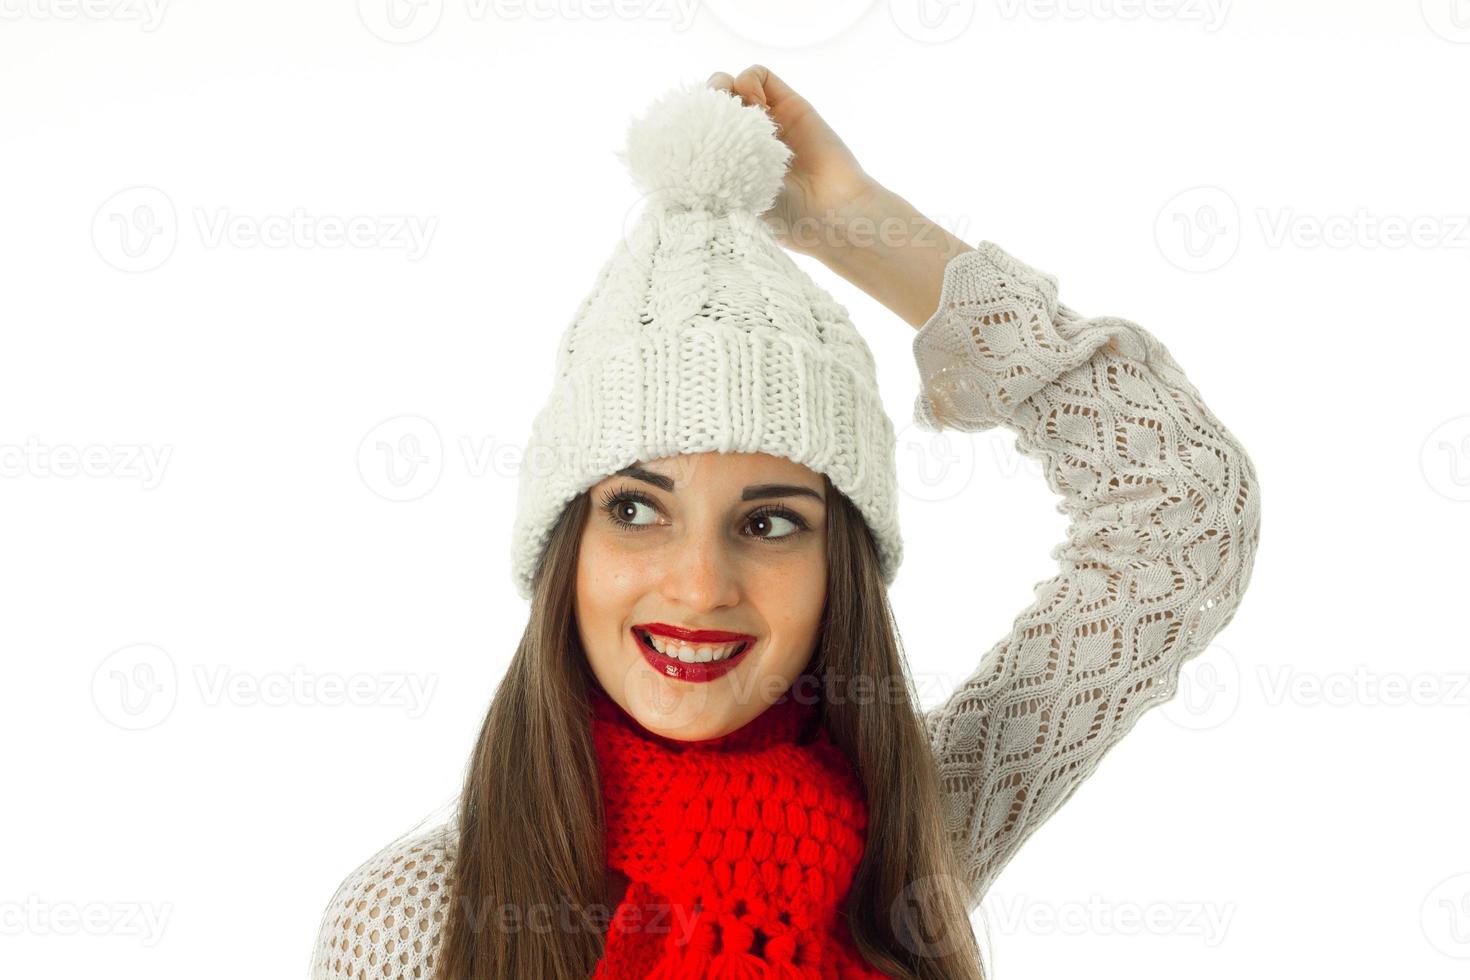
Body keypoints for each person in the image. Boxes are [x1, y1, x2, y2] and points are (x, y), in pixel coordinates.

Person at [309, 65, 1261, 980]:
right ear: (565, 547)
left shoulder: (906, 844)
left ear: (839, 570)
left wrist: (858, 226)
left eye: (769, 525)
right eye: (636, 509)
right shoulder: (418, 923)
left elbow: (1181, 510)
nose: (697, 587)